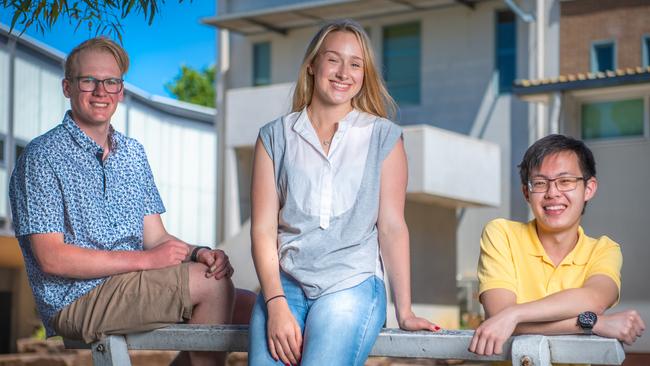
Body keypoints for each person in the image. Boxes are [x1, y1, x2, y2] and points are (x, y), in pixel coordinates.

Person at [9, 37, 254, 366]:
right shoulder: (42, 156)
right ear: (67, 87)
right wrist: (147, 261)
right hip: (76, 297)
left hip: (131, 284)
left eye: (111, 82)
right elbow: (51, 258)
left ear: (121, 90)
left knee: (249, 307)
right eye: (89, 81)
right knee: (212, 287)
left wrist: (199, 253)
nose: (101, 91)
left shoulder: (133, 154)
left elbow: (157, 238)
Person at [248, 19, 440, 366]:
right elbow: (263, 229)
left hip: (352, 282)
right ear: (312, 65)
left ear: (365, 74)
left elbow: (392, 227)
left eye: (355, 64)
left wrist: (405, 310)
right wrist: (274, 302)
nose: (343, 72)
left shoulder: (384, 137)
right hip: (285, 285)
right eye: (333, 59)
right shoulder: (274, 136)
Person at [469, 134, 645, 357]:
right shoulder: (501, 234)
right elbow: (498, 317)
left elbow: (594, 299)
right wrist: (592, 324)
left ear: (588, 189)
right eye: (540, 183)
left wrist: (514, 315)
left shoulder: (604, 249)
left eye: (565, 181)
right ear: (526, 192)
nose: (552, 193)